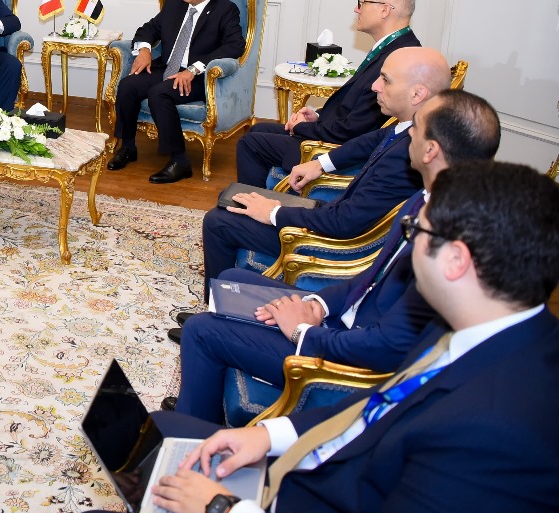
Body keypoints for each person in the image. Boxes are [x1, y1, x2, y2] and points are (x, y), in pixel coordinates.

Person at [78, 161, 559, 513]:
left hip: (304, 499)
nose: (408, 240)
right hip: (311, 466)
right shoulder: (472, 324)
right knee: (161, 433)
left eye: (416, 230)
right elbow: (378, 405)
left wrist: (222, 508)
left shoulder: (494, 431)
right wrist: (266, 435)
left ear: (456, 261)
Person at [168, 89, 501, 423]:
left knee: (201, 331)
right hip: (340, 320)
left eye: (417, 127)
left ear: (431, 150)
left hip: (342, 355)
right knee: (231, 281)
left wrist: (303, 331)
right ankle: (204, 400)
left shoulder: (445, 245)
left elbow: (385, 348)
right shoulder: (428, 199)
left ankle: (191, 429)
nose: (408, 132)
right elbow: (372, 278)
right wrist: (319, 304)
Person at [186, 47, 450, 334]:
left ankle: (215, 318)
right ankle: (223, 306)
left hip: (334, 242)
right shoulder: (412, 129)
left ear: (417, 94)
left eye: (385, 80)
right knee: (235, 200)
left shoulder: (408, 154)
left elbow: (344, 222)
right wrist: (320, 164)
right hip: (334, 215)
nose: (375, 85)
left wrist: (274, 212)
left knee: (219, 222)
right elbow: (368, 142)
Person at [235, 0, 420, 185]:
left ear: (384, 10)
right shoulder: (393, 48)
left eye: (362, 2)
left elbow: (353, 129)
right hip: (338, 134)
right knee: (258, 129)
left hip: (338, 150)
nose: (356, 9)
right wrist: (316, 115)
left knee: (250, 144)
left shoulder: (397, 58)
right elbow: (355, 107)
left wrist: (301, 127)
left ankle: (253, 202)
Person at [107, 0, 244, 184]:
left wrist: (194, 69)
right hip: (167, 67)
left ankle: (180, 161)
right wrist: (144, 50)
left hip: (198, 78)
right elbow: (147, 29)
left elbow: (234, 46)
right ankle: (128, 147)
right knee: (129, 85)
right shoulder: (174, 4)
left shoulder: (225, 10)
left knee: (159, 93)